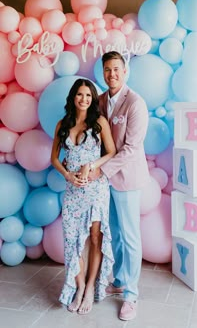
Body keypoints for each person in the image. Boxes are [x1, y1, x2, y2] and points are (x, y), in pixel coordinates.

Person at [51, 78, 116, 315]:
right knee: (71, 239)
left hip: (97, 188)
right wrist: (68, 175)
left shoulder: (99, 122)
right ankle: (78, 287)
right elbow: (55, 158)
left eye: (88, 95)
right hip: (73, 190)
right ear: (73, 97)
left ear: (93, 98)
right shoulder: (63, 125)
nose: (84, 99)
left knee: (95, 237)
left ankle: (90, 288)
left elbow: (111, 152)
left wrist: (92, 164)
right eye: (80, 95)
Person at [98, 51, 150, 321]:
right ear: (103, 72)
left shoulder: (135, 103)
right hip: (106, 181)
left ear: (125, 71)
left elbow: (131, 148)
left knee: (130, 237)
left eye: (116, 69)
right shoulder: (100, 100)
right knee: (115, 233)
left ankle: (131, 295)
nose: (112, 74)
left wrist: (101, 170)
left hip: (126, 179)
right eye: (107, 69)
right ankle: (118, 280)